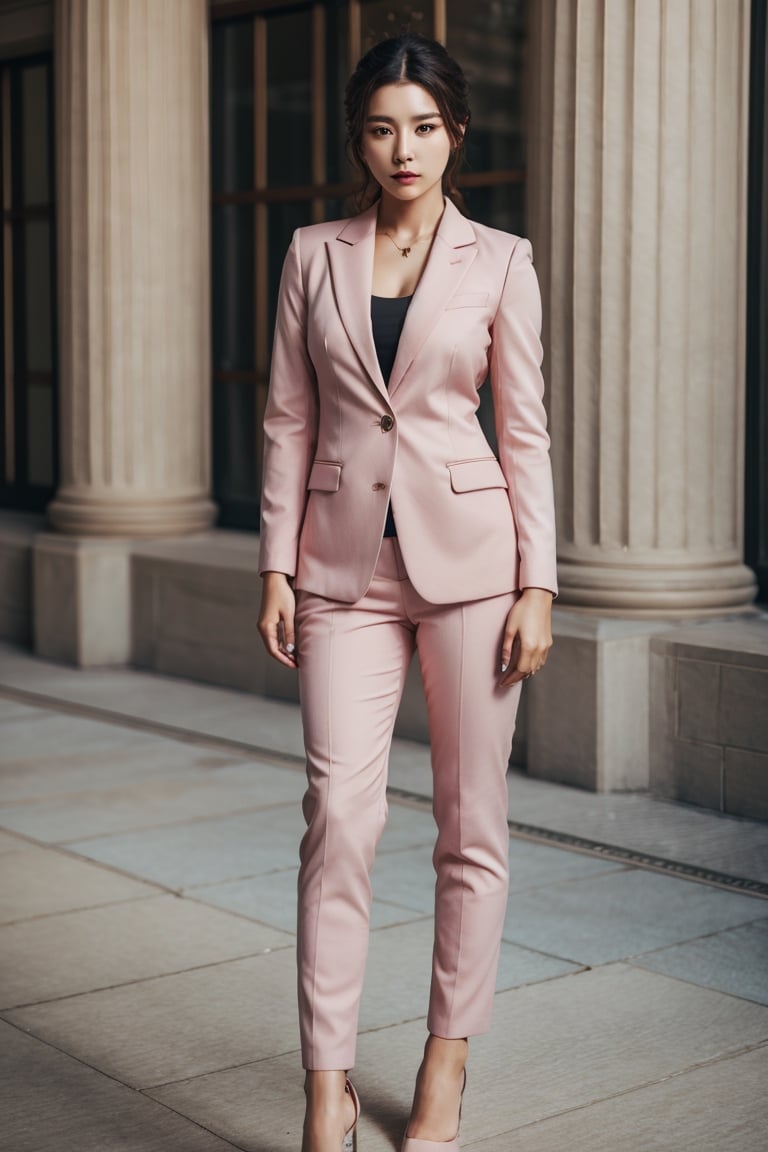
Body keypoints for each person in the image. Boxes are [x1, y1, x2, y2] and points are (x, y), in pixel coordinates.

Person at [257, 32, 557, 1152]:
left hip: (475, 570)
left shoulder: (501, 261)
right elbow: (291, 414)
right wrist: (275, 563)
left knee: (472, 827)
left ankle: (447, 1064)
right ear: (360, 138)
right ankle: (325, 1083)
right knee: (339, 816)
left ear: (456, 135)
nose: (404, 147)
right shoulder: (310, 254)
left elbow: (521, 429)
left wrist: (540, 581)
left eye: (424, 126)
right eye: (383, 127)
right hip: (341, 570)